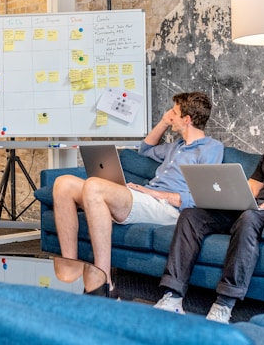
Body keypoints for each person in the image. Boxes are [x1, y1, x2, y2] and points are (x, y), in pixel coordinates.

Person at [154, 89, 264, 324]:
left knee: (248, 218)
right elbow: (252, 188)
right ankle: (172, 297)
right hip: (255, 208)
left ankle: (224, 304)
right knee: (192, 215)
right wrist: (228, 197)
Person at [53, 92, 223, 297]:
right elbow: (145, 149)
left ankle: (105, 282)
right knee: (63, 184)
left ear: (187, 120)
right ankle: (70, 266)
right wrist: (162, 123)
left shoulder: (211, 148)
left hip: (168, 209)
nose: (169, 115)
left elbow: (202, 196)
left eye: (174, 112)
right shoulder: (175, 147)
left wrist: (157, 194)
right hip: (146, 199)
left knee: (94, 186)